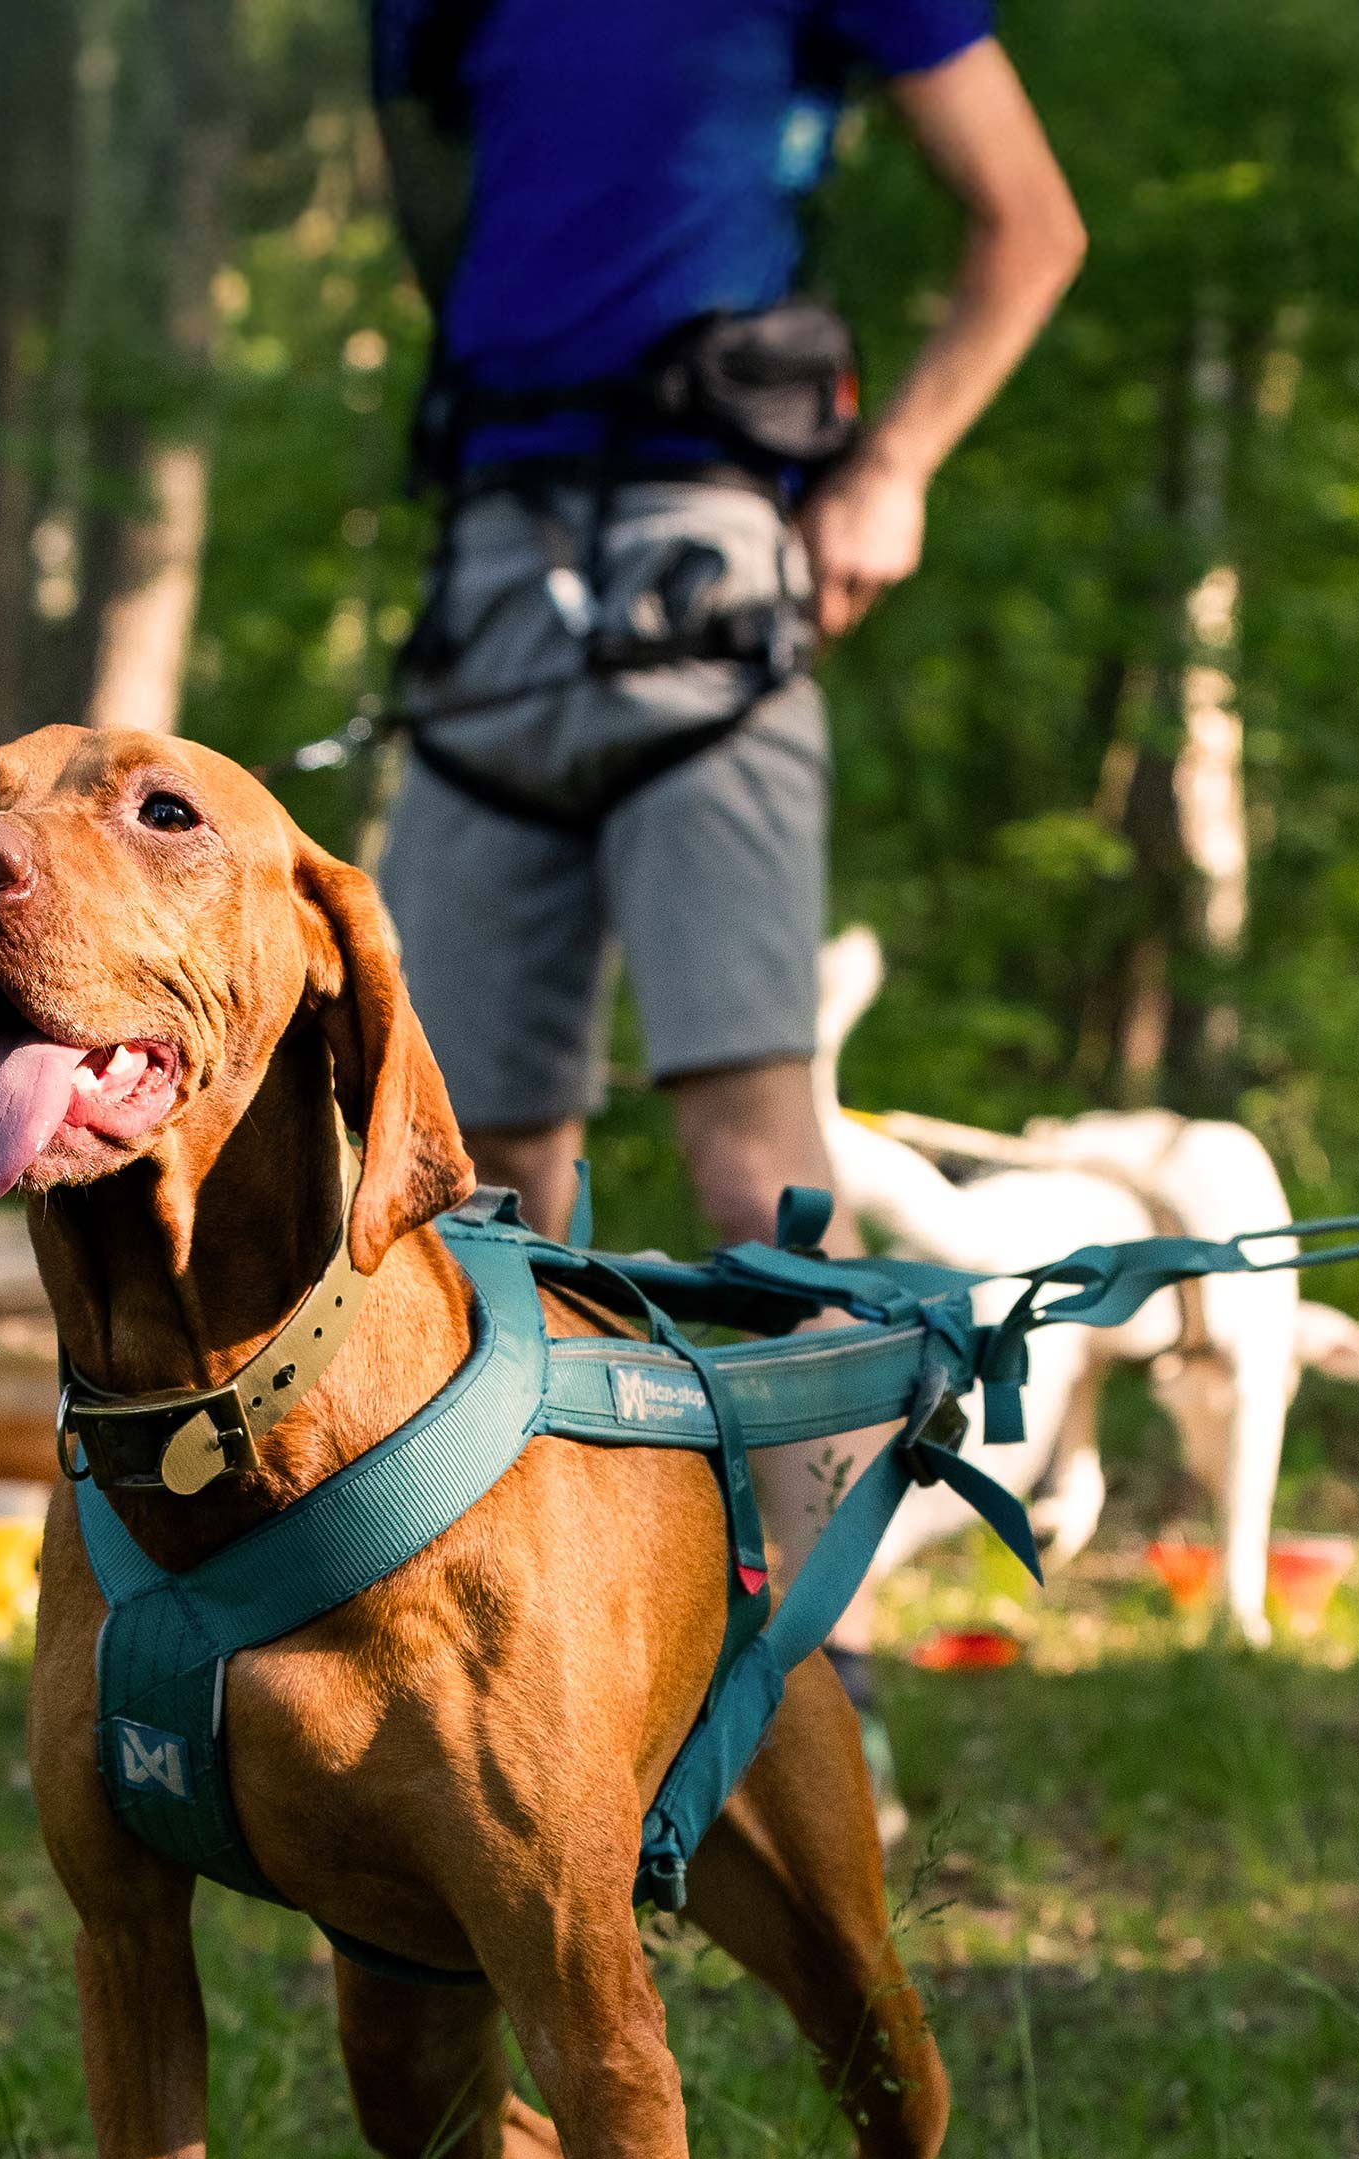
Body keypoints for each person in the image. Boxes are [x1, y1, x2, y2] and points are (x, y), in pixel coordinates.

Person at [366, 0, 1082, 1811]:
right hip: (488, 576)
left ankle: (812, 1661)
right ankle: (518, 1637)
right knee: (463, 1169)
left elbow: (1031, 218)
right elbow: (443, 217)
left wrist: (895, 461)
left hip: (717, 556)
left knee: (755, 1147)